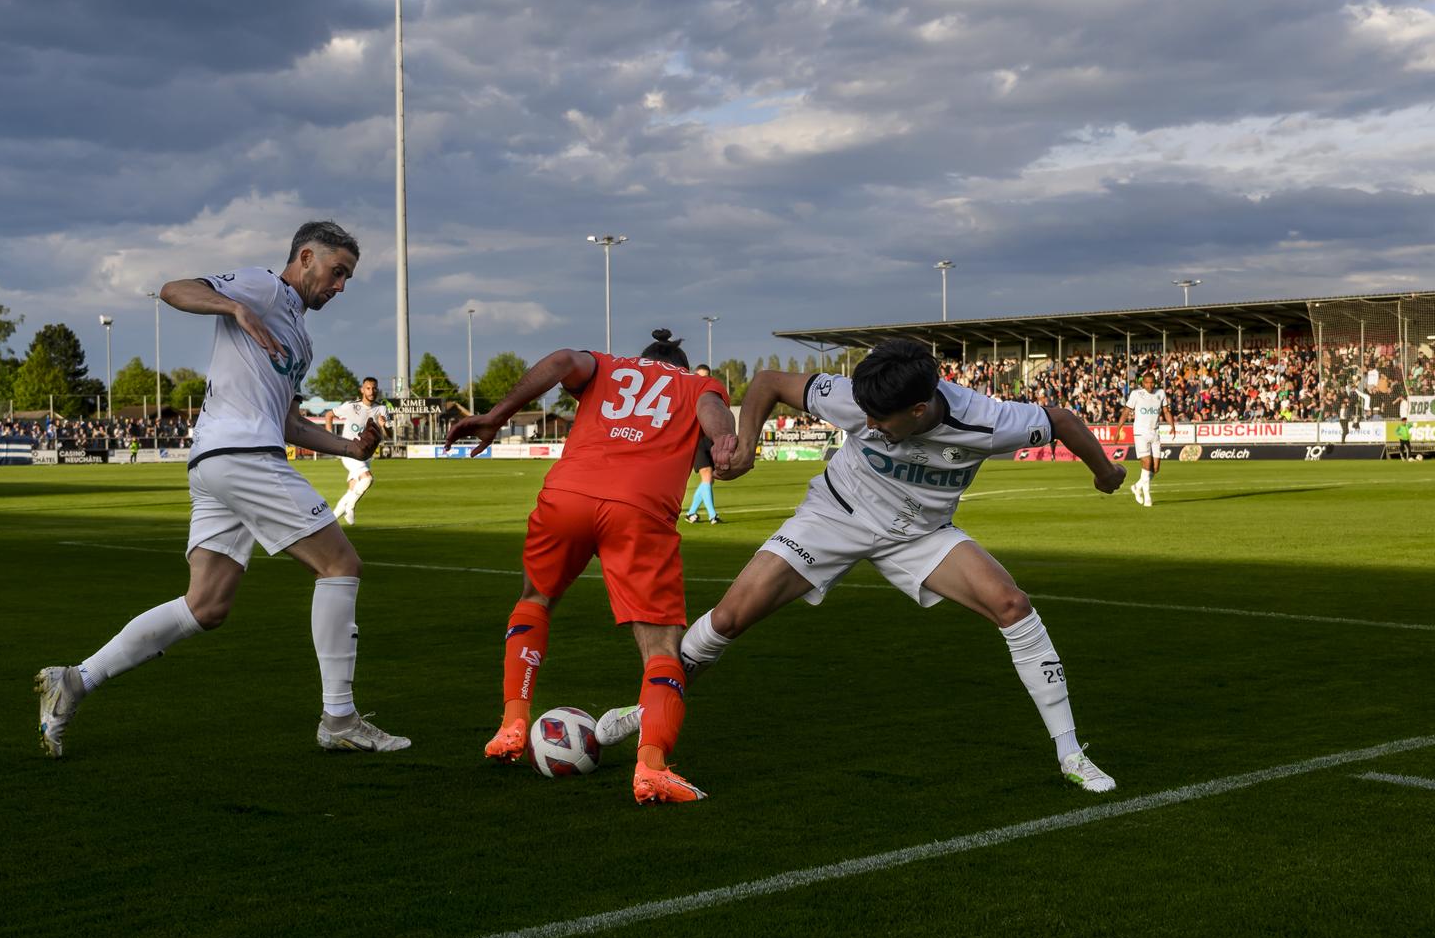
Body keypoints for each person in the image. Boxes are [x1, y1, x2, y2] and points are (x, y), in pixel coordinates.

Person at [596, 339, 1124, 795]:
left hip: (919, 534)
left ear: (919, 409)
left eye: (879, 420)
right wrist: (749, 445)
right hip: (834, 516)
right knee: (730, 618)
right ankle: (649, 710)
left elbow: (1061, 420)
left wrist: (1104, 472)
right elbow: (768, 382)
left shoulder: (988, 421)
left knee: (1012, 604)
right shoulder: (854, 398)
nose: (865, 423)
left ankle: (1070, 753)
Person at [34, 221, 407, 758]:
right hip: (241, 456)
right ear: (305, 257)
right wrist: (233, 307)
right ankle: (340, 719)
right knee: (340, 565)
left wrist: (350, 450)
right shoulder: (262, 286)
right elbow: (173, 289)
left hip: (219, 461)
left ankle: (73, 680)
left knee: (206, 605)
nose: (340, 286)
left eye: (347, 277)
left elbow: (285, 422)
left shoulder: (300, 336)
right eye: (337, 272)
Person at [446, 329, 733, 804]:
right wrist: (724, 441)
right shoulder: (696, 385)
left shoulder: (607, 365)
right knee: (661, 646)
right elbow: (714, 415)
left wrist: (497, 415)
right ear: (682, 365)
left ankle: (512, 724)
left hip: (567, 496)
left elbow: (560, 360)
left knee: (535, 600)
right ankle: (652, 767)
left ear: (640, 360)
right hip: (638, 511)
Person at [325, 376, 389, 524]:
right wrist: (330, 437)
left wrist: (384, 425)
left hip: (366, 454)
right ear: (362, 390)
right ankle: (351, 508)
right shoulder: (351, 406)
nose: (371, 391)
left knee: (352, 489)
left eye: (374, 388)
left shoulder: (381, 409)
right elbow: (329, 415)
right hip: (348, 450)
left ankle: (330, 521)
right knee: (367, 478)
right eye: (368, 388)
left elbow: (389, 434)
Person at [1119, 371, 1174, 507]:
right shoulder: (1136, 394)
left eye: (1151, 382)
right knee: (1146, 464)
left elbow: (1166, 411)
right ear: (1142, 383)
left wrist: (1172, 425)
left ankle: (1137, 487)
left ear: (1155, 382)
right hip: (1140, 433)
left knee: (1155, 469)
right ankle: (1147, 496)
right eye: (1147, 382)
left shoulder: (1160, 393)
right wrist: (1119, 427)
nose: (1149, 385)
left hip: (1155, 433)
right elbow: (1126, 411)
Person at [681, 362, 722, 525]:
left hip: (708, 439)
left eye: (706, 377)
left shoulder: (713, 395)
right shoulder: (688, 394)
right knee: (706, 474)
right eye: (699, 377)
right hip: (696, 439)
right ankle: (713, 516)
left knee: (709, 479)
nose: (702, 380)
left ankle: (691, 513)